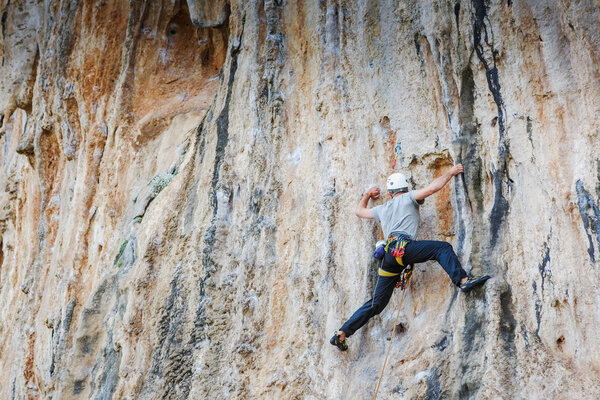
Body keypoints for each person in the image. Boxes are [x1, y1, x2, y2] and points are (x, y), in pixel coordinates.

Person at [330, 164, 490, 351]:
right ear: (405, 188)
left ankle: (342, 333)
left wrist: (366, 195)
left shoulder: (382, 208)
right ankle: (462, 280)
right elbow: (432, 188)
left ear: (390, 193)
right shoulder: (408, 197)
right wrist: (451, 172)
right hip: (405, 249)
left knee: (377, 303)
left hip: (389, 256)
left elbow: (359, 211)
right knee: (442, 248)